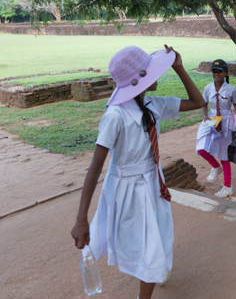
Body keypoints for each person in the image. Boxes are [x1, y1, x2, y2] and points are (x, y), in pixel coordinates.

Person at [70, 45, 206, 299]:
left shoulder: (152, 104)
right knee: (145, 244)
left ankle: (154, 270)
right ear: (139, 80)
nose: (158, 75)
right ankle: (151, 275)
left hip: (152, 184)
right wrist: (81, 218)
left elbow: (199, 102)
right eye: (153, 72)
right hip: (126, 190)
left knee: (156, 237)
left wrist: (179, 68)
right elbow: (94, 169)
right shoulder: (115, 116)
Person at [196, 59, 236, 198]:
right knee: (201, 147)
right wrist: (205, 116)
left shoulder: (230, 89)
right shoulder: (208, 88)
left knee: (224, 154)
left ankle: (227, 187)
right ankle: (215, 167)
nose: (216, 74)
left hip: (226, 120)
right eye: (214, 71)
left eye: (219, 71)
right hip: (212, 118)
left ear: (225, 72)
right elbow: (203, 103)